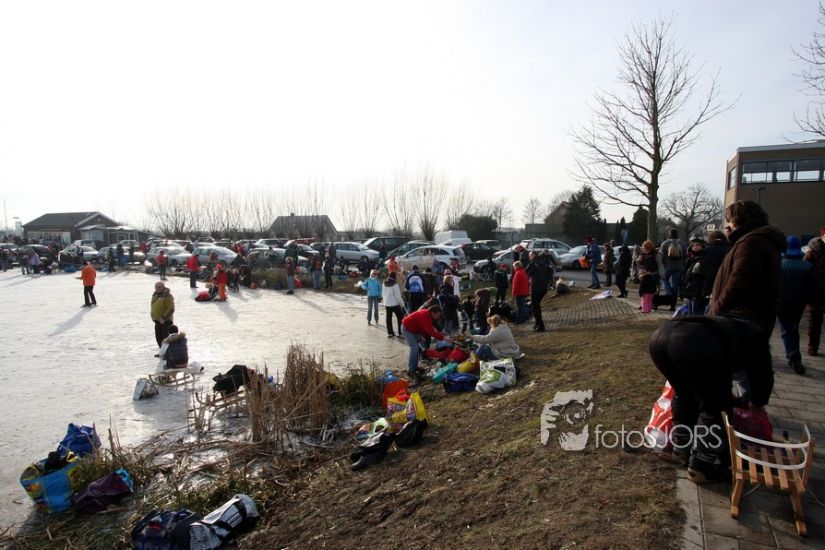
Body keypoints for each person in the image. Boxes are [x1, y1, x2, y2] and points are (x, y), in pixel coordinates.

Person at [650, 199, 785, 483]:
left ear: (740, 220)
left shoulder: (753, 242)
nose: (727, 226)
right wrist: (757, 402)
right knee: (714, 404)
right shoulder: (753, 243)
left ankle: (680, 448)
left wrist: (715, 311)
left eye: (730, 221)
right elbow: (762, 373)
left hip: (664, 337)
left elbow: (739, 282)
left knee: (686, 393)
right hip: (706, 334)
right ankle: (704, 464)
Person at [779, 236, 821, 375]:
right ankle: (794, 355)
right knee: (792, 328)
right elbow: (814, 287)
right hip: (798, 302)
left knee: (786, 328)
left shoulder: (779, 264)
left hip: (780, 300)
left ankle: (793, 355)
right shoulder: (807, 266)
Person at [400, 305, 450, 377]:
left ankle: (415, 366)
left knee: (419, 347)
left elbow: (425, 325)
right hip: (407, 328)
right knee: (414, 348)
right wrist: (444, 338)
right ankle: (410, 370)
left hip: (414, 329)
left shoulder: (429, 315)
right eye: (437, 315)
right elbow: (431, 332)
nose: (438, 317)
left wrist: (421, 335)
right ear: (433, 313)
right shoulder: (425, 316)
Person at [804, 226, 825, 356]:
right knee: (815, 321)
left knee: (815, 320)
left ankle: (813, 346)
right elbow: (806, 269)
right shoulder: (813, 251)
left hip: (817, 289)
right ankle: (813, 346)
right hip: (817, 290)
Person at [681, 235, 710, 315]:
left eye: (698, 245)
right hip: (690, 293)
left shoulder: (704, 259)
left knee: (696, 316)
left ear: (702, 246)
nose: (695, 247)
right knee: (690, 315)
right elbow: (686, 277)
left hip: (698, 294)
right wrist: (683, 291)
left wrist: (704, 293)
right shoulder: (690, 260)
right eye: (693, 245)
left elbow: (706, 277)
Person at [525, 251, 549, 332]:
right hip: (544, 287)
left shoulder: (533, 263)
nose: (529, 257)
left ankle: (540, 326)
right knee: (536, 305)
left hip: (536, 288)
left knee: (535, 307)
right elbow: (549, 272)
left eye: (530, 256)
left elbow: (526, 272)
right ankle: (537, 323)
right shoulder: (543, 262)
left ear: (533, 255)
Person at [659, 228, 686, 298]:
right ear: (677, 234)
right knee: (675, 282)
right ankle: (674, 297)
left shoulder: (665, 243)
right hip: (679, 266)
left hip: (668, 266)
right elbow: (685, 256)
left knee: (664, 279)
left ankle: (668, 293)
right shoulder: (683, 243)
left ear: (669, 234)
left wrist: (662, 264)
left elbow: (661, 255)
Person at [151, 281, 175, 352]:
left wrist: (164, 318)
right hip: (157, 320)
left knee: (165, 337)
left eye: (159, 287)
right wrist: (152, 315)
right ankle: (162, 352)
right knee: (158, 337)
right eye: (156, 287)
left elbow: (171, 309)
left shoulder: (167, 296)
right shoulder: (155, 295)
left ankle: (168, 353)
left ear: (163, 287)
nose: (157, 288)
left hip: (166, 321)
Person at [637, 240, 659, 313]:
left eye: (644, 248)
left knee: (645, 295)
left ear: (647, 248)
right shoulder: (649, 254)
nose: (643, 249)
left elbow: (654, 266)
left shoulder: (652, 255)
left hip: (648, 276)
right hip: (650, 276)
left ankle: (645, 309)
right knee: (649, 295)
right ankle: (647, 309)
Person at [382, 271, 405, 338]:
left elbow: (383, 293)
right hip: (395, 304)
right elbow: (398, 295)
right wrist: (402, 304)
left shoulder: (384, 283)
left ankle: (390, 333)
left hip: (387, 303)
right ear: (395, 277)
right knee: (400, 317)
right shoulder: (394, 283)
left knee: (388, 318)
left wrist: (385, 301)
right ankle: (401, 333)